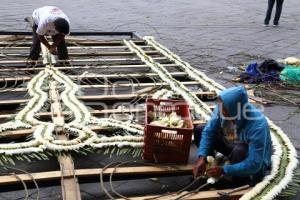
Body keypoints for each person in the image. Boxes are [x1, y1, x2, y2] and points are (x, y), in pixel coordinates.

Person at [193, 86, 272, 184]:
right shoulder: (222, 108)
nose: (221, 111)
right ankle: (210, 166)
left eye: (224, 110)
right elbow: (209, 132)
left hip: (247, 156)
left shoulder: (258, 124)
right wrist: (202, 156)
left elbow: (255, 164)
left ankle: (238, 181)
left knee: (240, 150)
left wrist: (224, 170)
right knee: (200, 129)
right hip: (231, 145)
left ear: (236, 108)